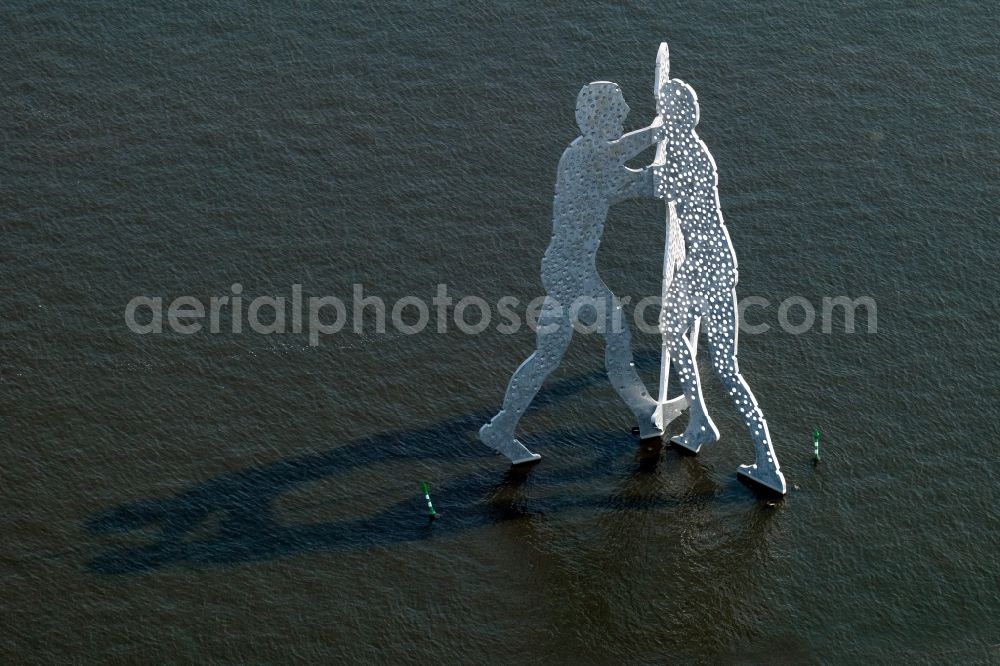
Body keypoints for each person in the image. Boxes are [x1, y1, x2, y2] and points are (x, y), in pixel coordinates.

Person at [479, 82, 666, 464]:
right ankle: (645, 414)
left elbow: (624, 173)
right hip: (571, 271)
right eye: (619, 109)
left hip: (565, 267)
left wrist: (658, 156)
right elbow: (620, 168)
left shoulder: (585, 155)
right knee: (616, 336)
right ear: (601, 116)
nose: (627, 112)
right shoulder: (584, 156)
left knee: (547, 355)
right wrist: (660, 134)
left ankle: (501, 427)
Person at [653, 78, 785, 493]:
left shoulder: (686, 155)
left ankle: (701, 422)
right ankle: (763, 460)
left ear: (673, 116)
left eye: (664, 111)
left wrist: (645, 143)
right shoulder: (696, 149)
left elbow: (653, 186)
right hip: (717, 262)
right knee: (723, 364)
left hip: (705, 263)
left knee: (676, 332)